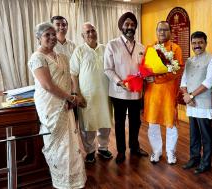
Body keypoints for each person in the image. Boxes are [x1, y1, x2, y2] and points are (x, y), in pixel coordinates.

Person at [28, 22, 86, 189]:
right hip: (50, 106)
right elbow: (47, 86)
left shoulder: (62, 57)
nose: (52, 37)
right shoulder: (37, 58)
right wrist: (70, 98)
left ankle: (74, 180)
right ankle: (62, 182)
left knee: (70, 142)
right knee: (58, 145)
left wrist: (71, 97)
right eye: (47, 35)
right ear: (38, 38)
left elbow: (68, 79)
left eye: (54, 34)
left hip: (65, 103)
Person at [104, 12, 148, 164]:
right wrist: (119, 81)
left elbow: (144, 68)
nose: (129, 27)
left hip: (136, 93)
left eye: (132, 24)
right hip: (118, 92)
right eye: (126, 24)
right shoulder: (112, 45)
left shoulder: (141, 47)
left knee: (136, 122)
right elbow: (107, 69)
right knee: (120, 122)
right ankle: (121, 151)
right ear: (121, 26)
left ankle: (134, 147)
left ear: (135, 26)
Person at [70, 23, 113, 163]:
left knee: (105, 122)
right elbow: (73, 74)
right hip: (87, 95)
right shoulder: (79, 51)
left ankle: (103, 148)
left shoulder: (105, 49)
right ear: (83, 36)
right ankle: (89, 151)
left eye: (92, 30)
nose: (90, 34)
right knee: (87, 124)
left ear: (96, 32)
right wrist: (77, 94)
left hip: (105, 94)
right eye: (87, 32)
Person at [144, 21, 184, 164]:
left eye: (165, 30)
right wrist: (145, 76)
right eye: (159, 29)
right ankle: (156, 151)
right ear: (156, 31)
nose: (162, 32)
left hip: (168, 93)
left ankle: (171, 152)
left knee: (170, 124)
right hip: (152, 94)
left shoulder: (176, 48)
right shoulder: (150, 48)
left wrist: (156, 78)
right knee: (153, 124)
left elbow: (177, 71)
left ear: (170, 32)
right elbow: (145, 68)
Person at [180, 31, 212, 174]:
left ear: (205, 43)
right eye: (194, 43)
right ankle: (194, 158)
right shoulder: (189, 60)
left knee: (206, 136)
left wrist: (190, 95)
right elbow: (183, 81)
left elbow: (209, 82)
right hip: (191, 104)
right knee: (194, 134)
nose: (197, 46)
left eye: (200, 42)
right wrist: (186, 96)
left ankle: (206, 163)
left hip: (203, 103)